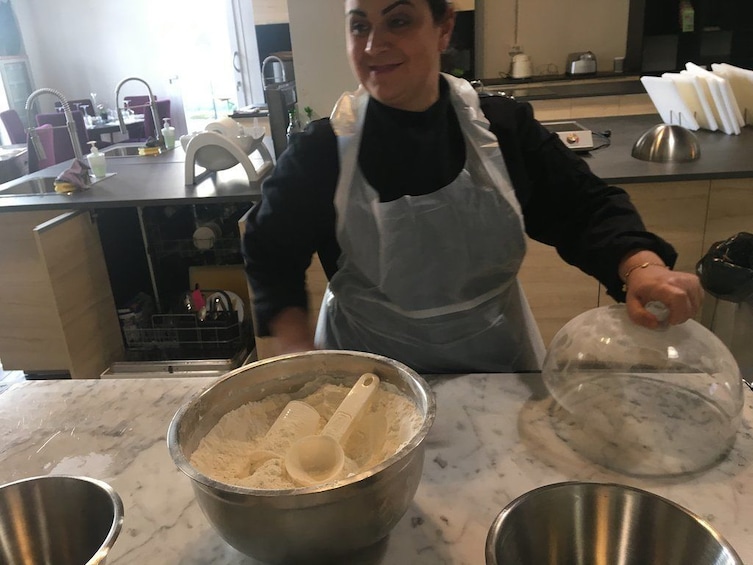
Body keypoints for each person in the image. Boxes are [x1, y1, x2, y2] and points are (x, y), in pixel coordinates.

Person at [242, 0, 703, 373]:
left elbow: (583, 208)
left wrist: (641, 268)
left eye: (398, 21)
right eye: (358, 26)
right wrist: (297, 355)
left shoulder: (501, 129)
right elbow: (270, 249)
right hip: (368, 378)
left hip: (495, 368)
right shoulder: (323, 151)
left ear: (444, 28)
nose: (373, 44)